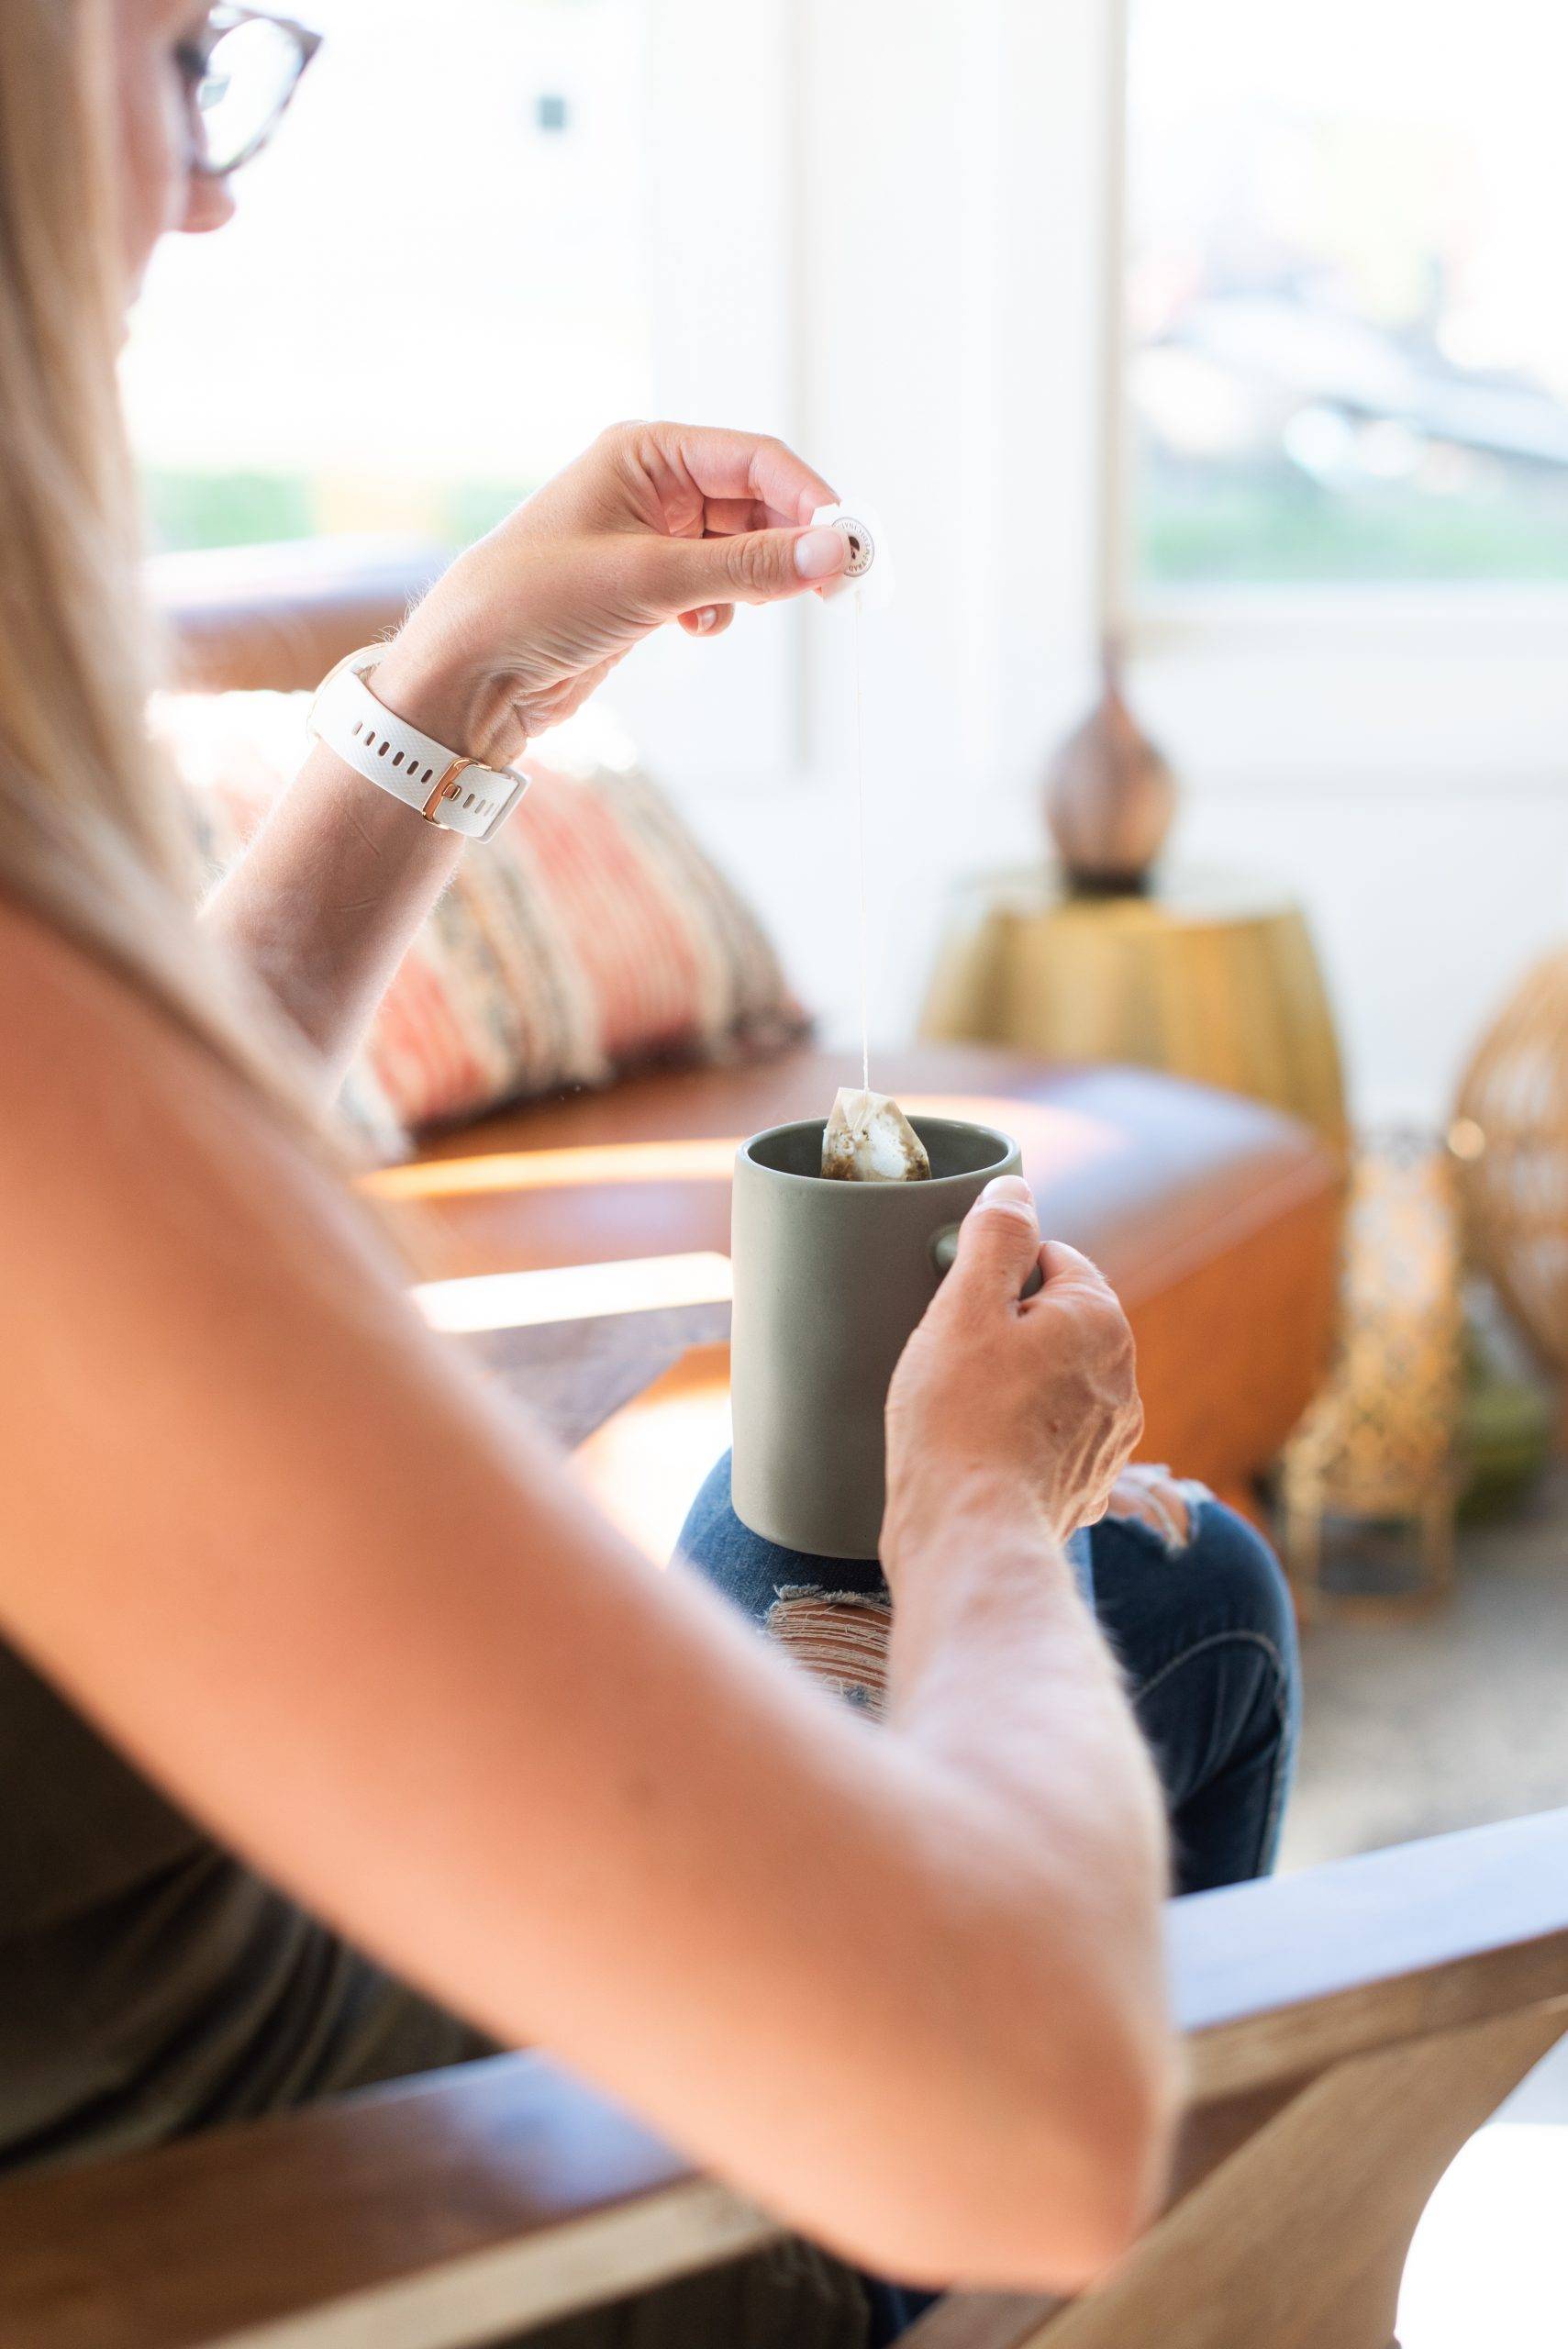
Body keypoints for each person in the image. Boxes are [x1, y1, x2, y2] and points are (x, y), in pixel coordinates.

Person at [0, 6, 1297, 2340]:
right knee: (1180, 1603)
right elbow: (1032, 2091)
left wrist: (472, 674)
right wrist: (980, 1518)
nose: (202, 188)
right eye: (180, 55)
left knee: (770, 1537)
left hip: (292, 2015)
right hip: (477, 2222)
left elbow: (127, 1176)